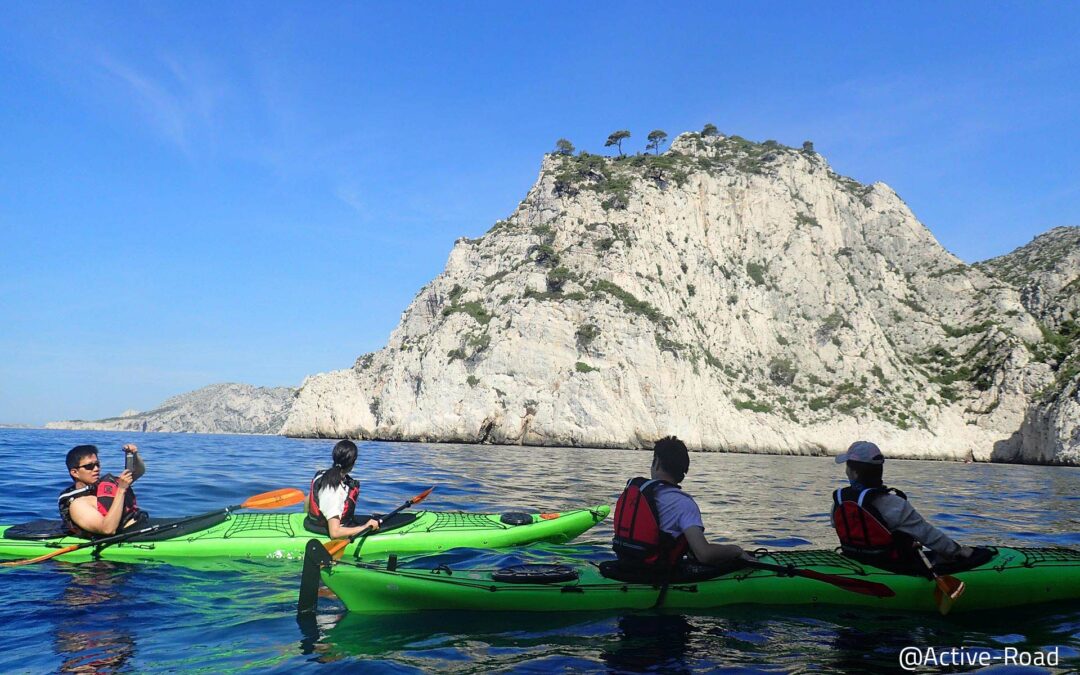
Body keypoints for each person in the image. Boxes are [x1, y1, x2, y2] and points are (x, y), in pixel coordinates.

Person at [831, 440, 986, 572]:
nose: (846, 471)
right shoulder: (894, 504)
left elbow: (839, 525)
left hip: (855, 561)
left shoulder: (839, 501)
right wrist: (958, 551)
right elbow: (929, 535)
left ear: (855, 473)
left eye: (847, 467)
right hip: (891, 567)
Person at [612, 436, 745, 572]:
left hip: (624, 567)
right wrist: (737, 550)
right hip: (654, 575)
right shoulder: (683, 504)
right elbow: (704, 554)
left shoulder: (637, 493)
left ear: (656, 462)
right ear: (683, 470)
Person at [59, 443, 148, 538]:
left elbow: (139, 471)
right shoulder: (78, 505)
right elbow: (108, 529)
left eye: (97, 464)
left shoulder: (105, 485)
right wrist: (121, 490)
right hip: (124, 538)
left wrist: (134, 455)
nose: (96, 469)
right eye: (89, 466)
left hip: (139, 524)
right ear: (75, 472)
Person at [305, 440, 380, 539]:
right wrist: (365, 527)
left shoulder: (322, 475)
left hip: (314, 524)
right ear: (353, 463)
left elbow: (308, 499)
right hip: (328, 530)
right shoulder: (335, 490)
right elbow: (334, 533)